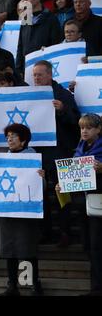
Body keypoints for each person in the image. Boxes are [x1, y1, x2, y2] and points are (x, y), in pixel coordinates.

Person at [32, 60, 81, 244]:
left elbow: (76, 124)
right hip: (41, 154)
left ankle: (65, 231)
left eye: (40, 75)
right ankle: (46, 232)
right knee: (43, 195)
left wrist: (62, 110)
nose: (36, 78)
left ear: (50, 75)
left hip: (62, 152)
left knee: (63, 196)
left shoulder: (63, 95)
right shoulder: (31, 95)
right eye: (34, 75)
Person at [0, 123, 44, 296]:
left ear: (23, 140)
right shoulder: (2, 159)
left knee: (27, 248)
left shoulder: (32, 158)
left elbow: (40, 187)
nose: (9, 139)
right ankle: (12, 285)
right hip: (7, 210)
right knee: (9, 249)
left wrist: (41, 178)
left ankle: (34, 283)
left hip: (25, 212)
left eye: (13, 136)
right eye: (7, 136)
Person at [70, 113, 102, 296]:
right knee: (89, 247)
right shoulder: (79, 149)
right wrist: (62, 184)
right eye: (82, 128)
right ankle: (95, 287)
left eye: (89, 128)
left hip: (98, 204)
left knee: (97, 247)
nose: (84, 131)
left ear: (98, 129)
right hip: (82, 204)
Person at [16, 0, 61, 74]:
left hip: (44, 68)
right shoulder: (26, 18)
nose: (25, 1)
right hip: (26, 68)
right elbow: (21, 46)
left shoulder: (51, 19)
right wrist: (18, 68)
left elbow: (56, 44)